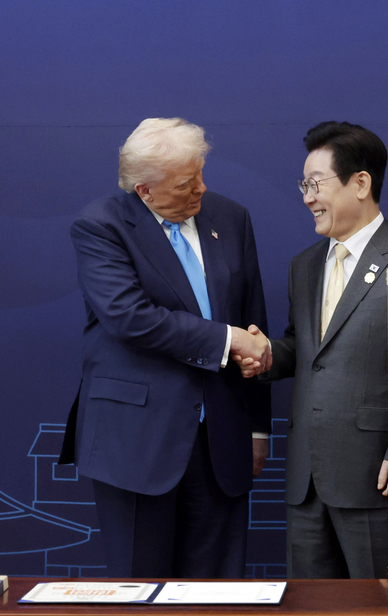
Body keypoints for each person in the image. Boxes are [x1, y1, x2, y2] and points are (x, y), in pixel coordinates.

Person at [61, 118, 272, 578]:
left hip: (221, 440)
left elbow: (253, 322)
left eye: (199, 174)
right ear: (145, 191)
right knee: (142, 590)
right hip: (136, 442)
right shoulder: (100, 226)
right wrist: (226, 338)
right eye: (185, 184)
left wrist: (258, 428)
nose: (200, 189)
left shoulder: (230, 218)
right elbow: (129, 318)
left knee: (219, 595)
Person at [239, 121, 388, 579]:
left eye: (315, 184)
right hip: (306, 479)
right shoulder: (304, 266)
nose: (307, 197)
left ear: (361, 183)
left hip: (375, 476)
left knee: (378, 605)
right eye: (303, 185)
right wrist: (266, 352)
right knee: (310, 606)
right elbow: (307, 349)